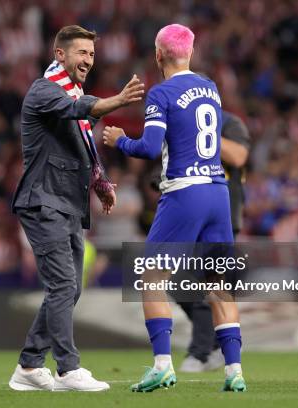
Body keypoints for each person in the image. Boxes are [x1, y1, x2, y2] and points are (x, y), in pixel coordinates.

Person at [103, 24, 247, 392]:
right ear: (191, 53)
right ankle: (234, 371)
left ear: (158, 55)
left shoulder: (161, 93)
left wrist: (121, 140)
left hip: (185, 192)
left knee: (151, 278)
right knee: (219, 287)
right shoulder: (211, 89)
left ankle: (162, 365)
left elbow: (150, 148)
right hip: (218, 191)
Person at [9, 25, 144, 392]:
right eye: (81, 53)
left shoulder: (72, 93)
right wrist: (116, 101)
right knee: (64, 284)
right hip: (42, 200)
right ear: (60, 55)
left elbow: (81, 134)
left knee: (69, 288)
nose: (88, 60)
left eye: (91, 54)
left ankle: (29, 365)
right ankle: (68, 369)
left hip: (66, 202)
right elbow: (79, 111)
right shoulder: (44, 91)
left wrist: (99, 181)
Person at [177, 111, 251, 373]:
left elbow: (239, 156)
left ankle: (199, 354)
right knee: (178, 284)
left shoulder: (230, 123)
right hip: (190, 213)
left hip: (222, 217)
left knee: (207, 286)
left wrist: (201, 134)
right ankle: (221, 343)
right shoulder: (181, 122)